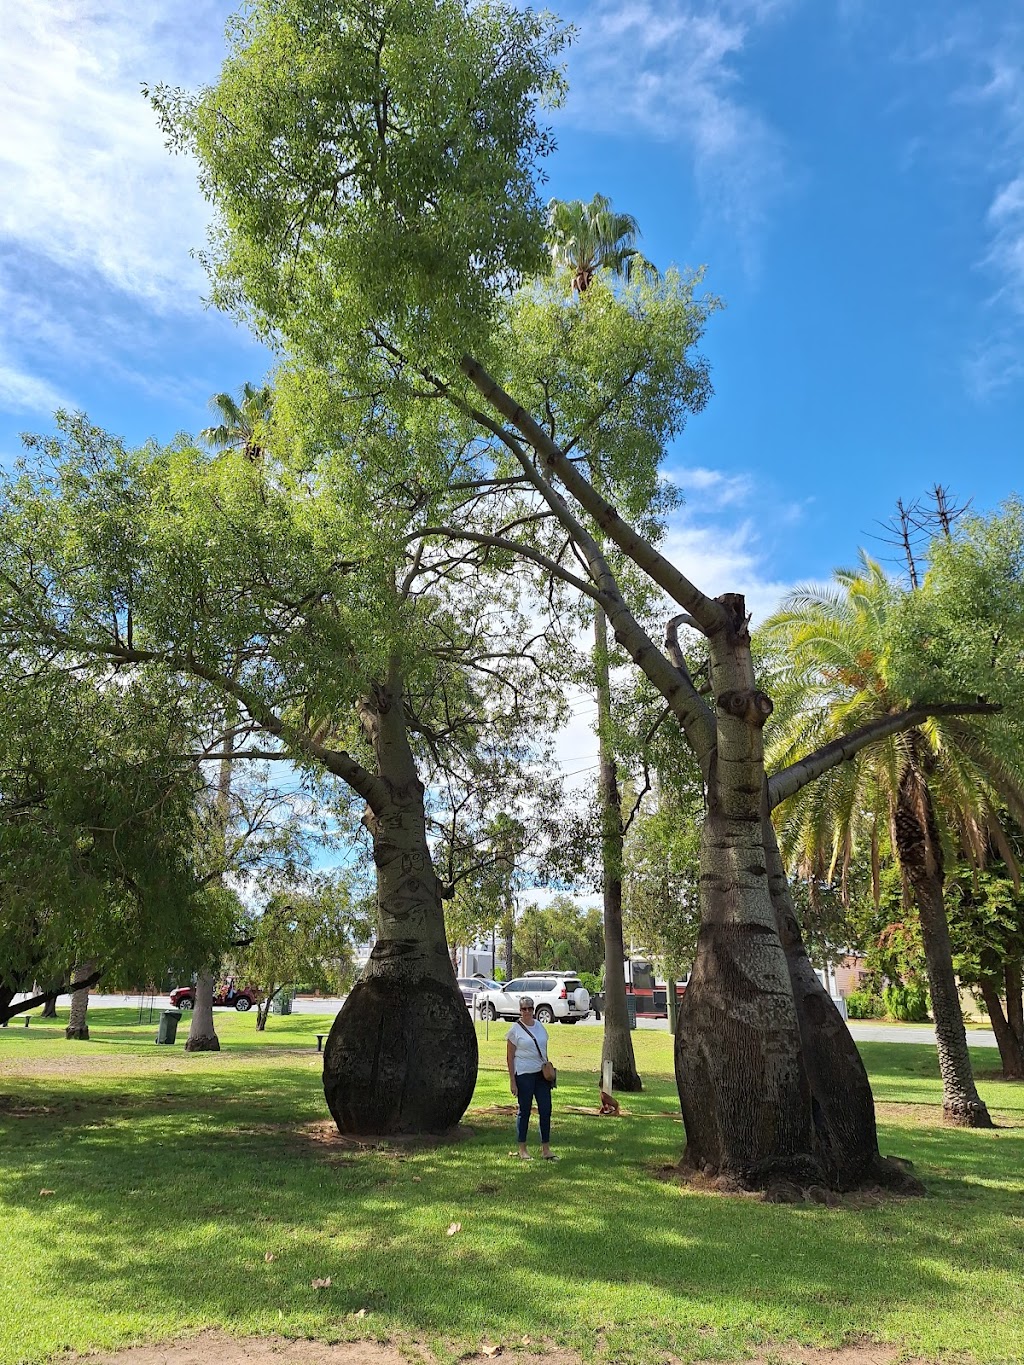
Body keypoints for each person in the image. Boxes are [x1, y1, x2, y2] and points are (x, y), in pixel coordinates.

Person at [506, 995, 557, 1161]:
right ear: (520, 1011)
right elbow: (510, 1056)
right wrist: (512, 1081)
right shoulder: (515, 1030)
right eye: (524, 1009)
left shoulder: (540, 1026)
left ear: (533, 1010)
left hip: (540, 1074)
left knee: (545, 1109)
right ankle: (522, 1149)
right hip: (524, 1074)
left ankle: (546, 1149)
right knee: (525, 1110)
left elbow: (544, 1047)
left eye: (529, 1008)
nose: (527, 1012)